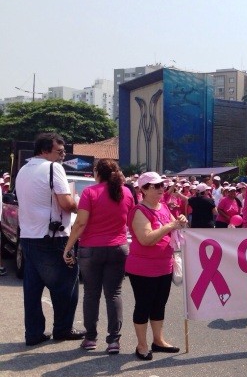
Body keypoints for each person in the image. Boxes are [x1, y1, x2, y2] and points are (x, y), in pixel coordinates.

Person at [15, 132, 86, 345]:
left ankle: (34, 333)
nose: (63, 155)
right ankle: (63, 329)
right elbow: (66, 204)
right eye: (60, 151)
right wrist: (79, 203)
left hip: (29, 236)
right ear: (45, 150)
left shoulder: (23, 170)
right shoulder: (53, 168)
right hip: (53, 238)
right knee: (66, 285)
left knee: (33, 289)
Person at [62, 159, 134, 353]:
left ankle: (91, 338)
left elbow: (80, 223)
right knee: (114, 294)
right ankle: (113, 341)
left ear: (97, 172)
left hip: (91, 249)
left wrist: (68, 247)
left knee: (91, 294)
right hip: (118, 248)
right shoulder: (126, 192)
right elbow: (130, 219)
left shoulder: (90, 192)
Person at [126, 172, 188, 360]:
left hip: (164, 265)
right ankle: (142, 344)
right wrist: (171, 226)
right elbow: (146, 239)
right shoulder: (139, 211)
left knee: (159, 305)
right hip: (143, 268)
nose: (161, 188)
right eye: (155, 186)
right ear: (143, 189)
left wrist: (180, 222)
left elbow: (173, 226)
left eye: (162, 184)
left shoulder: (162, 207)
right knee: (144, 305)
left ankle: (158, 340)